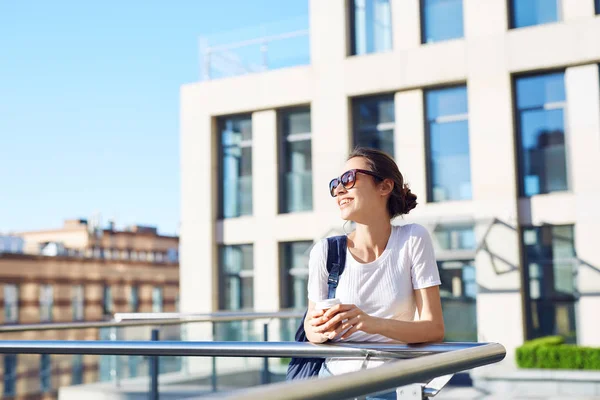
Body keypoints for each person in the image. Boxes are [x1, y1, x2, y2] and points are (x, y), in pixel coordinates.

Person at [304, 147, 444, 400]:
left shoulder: (413, 239)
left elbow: (433, 328)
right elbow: (310, 330)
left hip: (393, 385)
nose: (339, 189)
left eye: (349, 179)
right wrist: (321, 329)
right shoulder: (324, 251)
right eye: (335, 183)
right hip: (334, 383)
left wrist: (370, 323)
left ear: (384, 187)